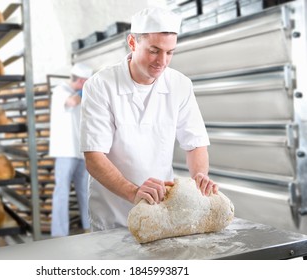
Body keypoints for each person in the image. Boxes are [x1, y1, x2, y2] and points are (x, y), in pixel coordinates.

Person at [80, 7, 218, 231]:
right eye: (154, 51)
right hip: (113, 215)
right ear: (132, 43)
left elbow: (195, 144)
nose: (162, 61)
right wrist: (134, 192)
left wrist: (199, 178)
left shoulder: (180, 85)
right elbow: (94, 157)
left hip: (160, 212)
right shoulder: (100, 85)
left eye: (170, 52)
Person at [49, 63, 93, 236]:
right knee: (62, 191)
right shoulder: (60, 91)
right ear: (81, 81)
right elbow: (71, 102)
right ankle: (59, 233)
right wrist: (85, 92)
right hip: (65, 151)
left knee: (85, 191)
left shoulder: (79, 94)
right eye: (87, 82)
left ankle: (88, 227)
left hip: (80, 150)